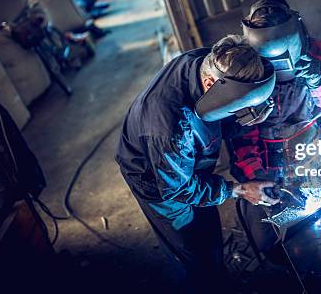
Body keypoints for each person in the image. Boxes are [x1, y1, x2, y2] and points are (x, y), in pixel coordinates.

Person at [115, 35, 279, 290]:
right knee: (194, 253)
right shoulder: (171, 127)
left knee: (209, 231)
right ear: (210, 83)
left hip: (187, 164)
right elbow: (179, 190)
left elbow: (220, 112)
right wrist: (239, 190)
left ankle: (217, 276)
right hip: (160, 183)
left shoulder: (207, 61)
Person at [228, 0, 321, 258]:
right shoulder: (243, 67)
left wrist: (318, 83)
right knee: (273, 245)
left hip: (310, 152)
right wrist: (257, 179)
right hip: (266, 158)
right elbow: (241, 138)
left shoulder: (315, 53)